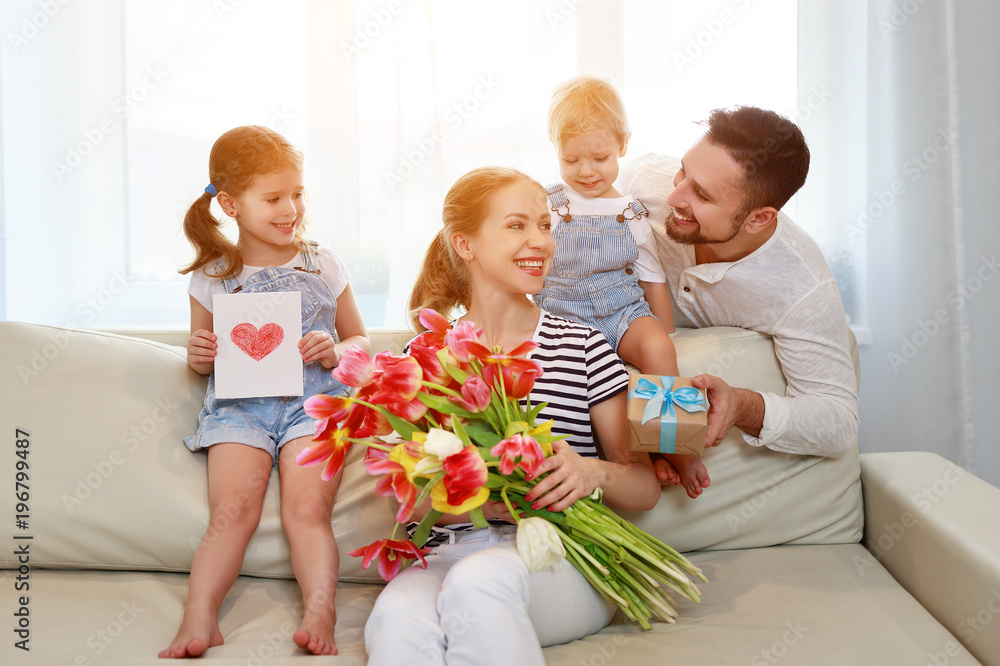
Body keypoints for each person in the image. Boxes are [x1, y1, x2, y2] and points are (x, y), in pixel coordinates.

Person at [363, 166, 661, 665]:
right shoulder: (425, 357)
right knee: (396, 614)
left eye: (545, 225)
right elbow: (407, 502)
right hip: (445, 553)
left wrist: (592, 473)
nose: (540, 241)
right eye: (517, 225)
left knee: (478, 582)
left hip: (558, 557)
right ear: (465, 245)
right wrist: (475, 501)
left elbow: (645, 488)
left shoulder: (583, 344)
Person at [160, 126, 370, 658]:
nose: (291, 208)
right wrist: (199, 354)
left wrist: (336, 348)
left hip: (312, 403)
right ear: (229, 203)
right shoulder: (212, 275)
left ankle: (319, 608)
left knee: (308, 511)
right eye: (274, 198)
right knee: (231, 513)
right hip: (239, 408)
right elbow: (199, 350)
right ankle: (199, 615)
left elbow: (360, 339)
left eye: (297, 193)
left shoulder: (322, 263)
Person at [619, 106, 860, 482]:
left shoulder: (803, 287)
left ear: (758, 219)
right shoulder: (642, 181)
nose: (674, 195)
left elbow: (838, 422)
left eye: (701, 194)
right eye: (683, 170)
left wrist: (744, 406)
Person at [532, 74, 709, 498]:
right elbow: (529, 262)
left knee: (657, 348)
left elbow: (652, 278)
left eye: (600, 156)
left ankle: (676, 446)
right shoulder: (547, 203)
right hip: (564, 315)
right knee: (579, 381)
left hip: (620, 310)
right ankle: (645, 459)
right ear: (556, 152)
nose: (586, 171)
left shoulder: (631, 213)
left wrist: (663, 335)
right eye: (572, 160)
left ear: (622, 145)